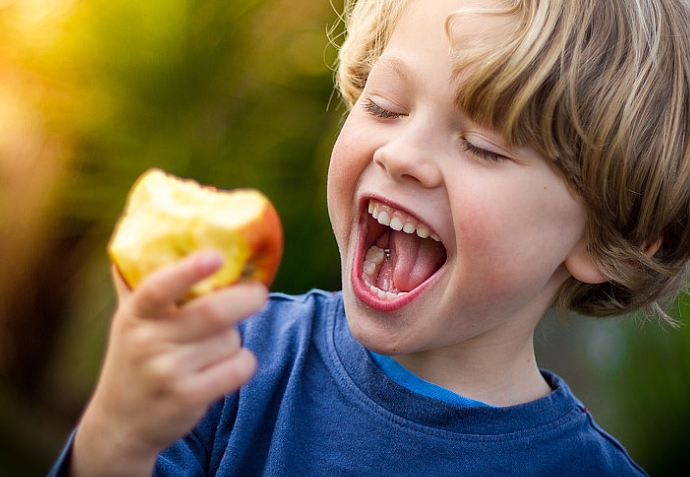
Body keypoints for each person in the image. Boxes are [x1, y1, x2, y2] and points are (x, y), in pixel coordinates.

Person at [49, 0, 690, 475]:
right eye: (384, 105)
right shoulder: (230, 366)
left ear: (613, 233)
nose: (402, 153)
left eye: (484, 146)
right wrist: (115, 441)